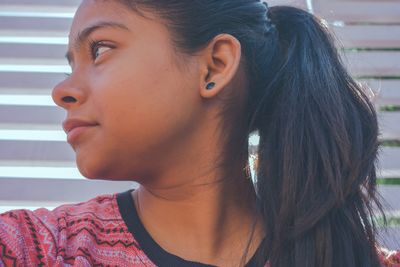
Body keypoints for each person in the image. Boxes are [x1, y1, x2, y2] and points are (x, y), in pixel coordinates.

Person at [1, 0, 399, 266]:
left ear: (214, 66)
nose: (62, 90)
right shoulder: (33, 250)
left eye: (100, 50)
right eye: (71, 64)